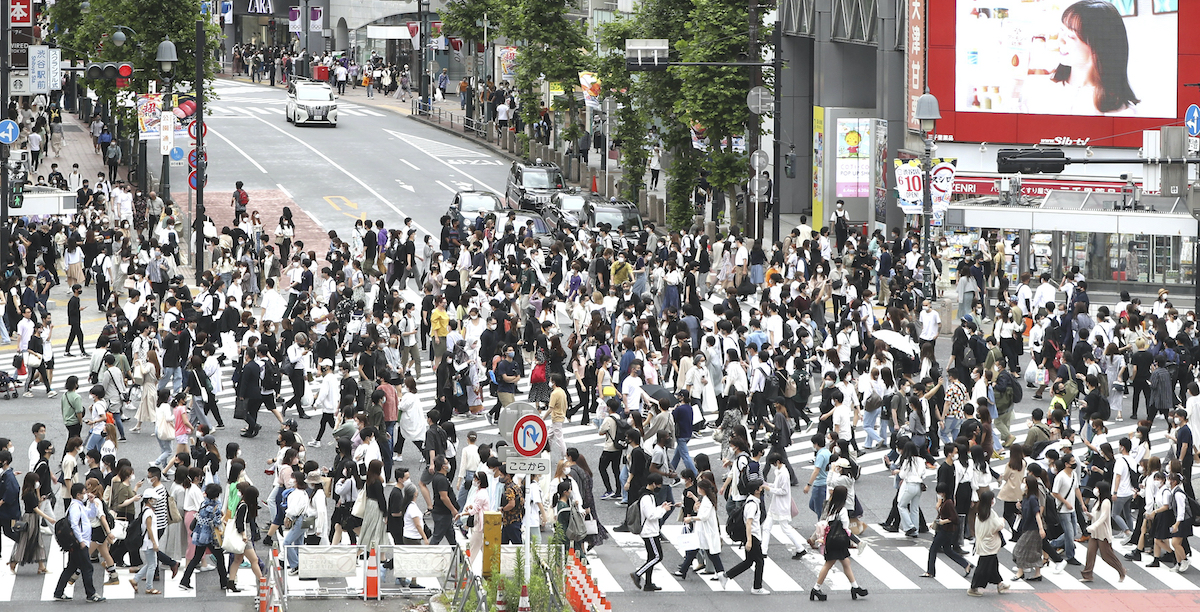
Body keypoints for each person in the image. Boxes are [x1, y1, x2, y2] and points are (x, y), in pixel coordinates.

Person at [809, 485, 867, 602]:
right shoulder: (842, 510)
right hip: (837, 541)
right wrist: (856, 541)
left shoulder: (830, 507)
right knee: (829, 564)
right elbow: (846, 528)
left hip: (832, 540)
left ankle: (855, 587)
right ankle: (816, 588)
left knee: (846, 562)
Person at [53, 483, 106, 602]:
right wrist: (81, 541)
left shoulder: (79, 505)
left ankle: (59, 592)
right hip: (79, 544)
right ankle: (91, 594)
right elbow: (74, 525)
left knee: (71, 567)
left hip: (81, 542)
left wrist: (92, 503)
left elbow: (91, 514)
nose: (86, 494)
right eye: (84, 492)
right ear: (78, 495)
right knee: (87, 568)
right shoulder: (75, 507)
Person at [178, 482, 234, 591]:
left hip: (200, 534)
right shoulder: (216, 506)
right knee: (220, 558)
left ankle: (184, 580)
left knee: (196, 558)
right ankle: (223, 582)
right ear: (217, 495)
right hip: (211, 537)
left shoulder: (204, 503)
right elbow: (217, 522)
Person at [723, 476, 769, 595]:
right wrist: (749, 540)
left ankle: (726, 576)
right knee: (759, 562)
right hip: (753, 536)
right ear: (756, 491)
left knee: (749, 562)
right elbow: (748, 523)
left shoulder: (752, 501)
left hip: (752, 536)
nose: (762, 488)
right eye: (760, 487)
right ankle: (757, 587)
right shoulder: (752, 504)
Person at [628, 473, 671, 592]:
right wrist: (663, 510)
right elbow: (650, 515)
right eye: (658, 485)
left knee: (651, 557)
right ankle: (638, 574)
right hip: (649, 532)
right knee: (657, 556)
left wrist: (661, 507)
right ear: (653, 484)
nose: (659, 487)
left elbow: (651, 512)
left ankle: (648, 583)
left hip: (651, 530)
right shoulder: (646, 497)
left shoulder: (648, 495)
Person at [921, 482, 971, 578]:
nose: (938, 494)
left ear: (943, 493)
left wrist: (943, 522)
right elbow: (943, 514)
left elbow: (955, 518)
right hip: (947, 530)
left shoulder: (948, 503)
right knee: (948, 550)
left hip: (946, 530)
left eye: (939, 492)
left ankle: (930, 571)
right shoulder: (946, 501)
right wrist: (935, 522)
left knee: (933, 549)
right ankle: (965, 564)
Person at [1079, 479, 1126, 582]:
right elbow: (1097, 515)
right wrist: (1089, 515)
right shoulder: (1098, 501)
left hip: (1103, 533)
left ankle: (1121, 571)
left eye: (1097, 488)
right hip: (1095, 533)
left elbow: (1104, 517)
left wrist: (1094, 526)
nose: (1095, 490)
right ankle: (1087, 574)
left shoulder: (1106, 502)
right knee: (1090, 553)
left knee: (1107, 555)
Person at [968, 489, 1011, 597]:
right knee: (983, 567)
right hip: (990, 544)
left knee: (992, 565)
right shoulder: (990, 513)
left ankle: (1000, 584)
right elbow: (999, 526)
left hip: (983, 543)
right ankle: (973, 587)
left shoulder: (980, 511)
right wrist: (1002, 521)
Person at [130, 490, 162, 594]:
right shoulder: (149, 512)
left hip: (147, 542)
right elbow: (149, 528)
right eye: (154, 499)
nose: (156, 501)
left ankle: (135, 580)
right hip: (149, 543)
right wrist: (154, 543)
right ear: (149, 500)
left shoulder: (146, 510)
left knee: (150, 564)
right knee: (152, 565)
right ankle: (149, 587)